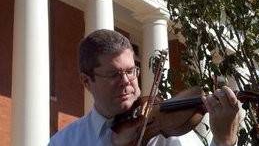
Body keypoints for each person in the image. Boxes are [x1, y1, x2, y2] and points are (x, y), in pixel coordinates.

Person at [49, 29, 241, 146]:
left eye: (131, 71)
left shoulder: (163, 131)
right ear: (86, 81)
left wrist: (223, 141)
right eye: (114, 74)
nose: (126, 81)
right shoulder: (64, 142)